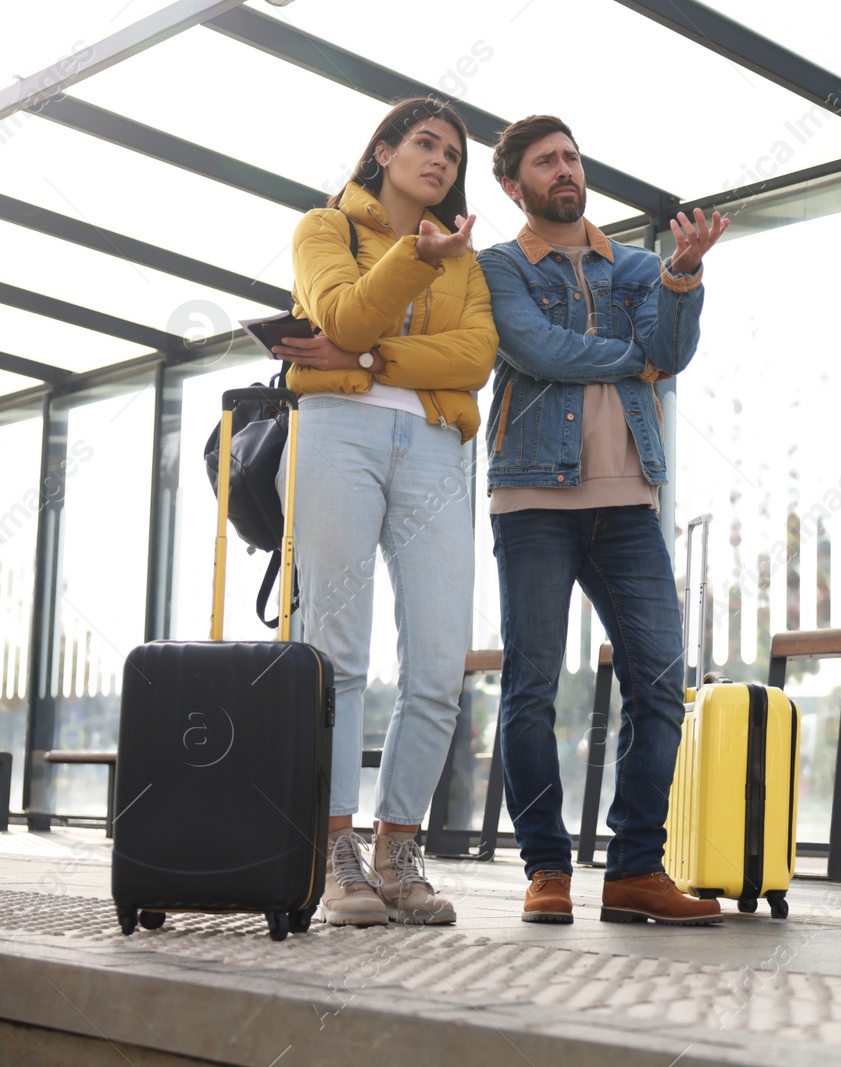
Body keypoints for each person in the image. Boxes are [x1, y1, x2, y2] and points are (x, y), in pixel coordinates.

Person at [478, 114, 729, 925]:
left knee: (661, 683)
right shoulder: (500, 266)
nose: (564, 170)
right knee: (533, 688)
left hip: (629, 501)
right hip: (533, 498)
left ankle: (633, 870)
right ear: (514, 185)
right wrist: (637, 360)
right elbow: (536, 348)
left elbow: (673, 350)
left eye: (571, 158)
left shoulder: (637, 266)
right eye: (546, 162)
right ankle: (546, 869)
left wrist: (683, 277)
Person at [273, 97, 497, 927]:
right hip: (336, 432)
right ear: (384, 150)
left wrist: (365, 356)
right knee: (337, 650)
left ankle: (398, 851)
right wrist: (406, 272)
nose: (439, 160)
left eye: (452, 152)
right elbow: (344, 312)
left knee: (440, 660)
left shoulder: (465, 260)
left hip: (438, 445)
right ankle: (334, 850)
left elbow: (474, 359)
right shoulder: (322, 229)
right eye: (425, 143)